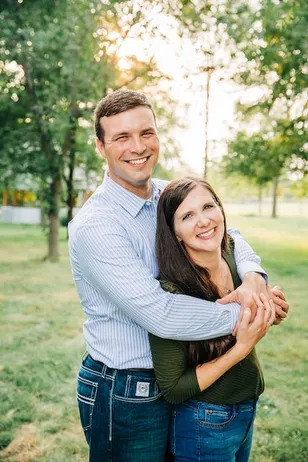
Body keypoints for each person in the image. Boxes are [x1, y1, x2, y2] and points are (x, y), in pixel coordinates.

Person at [68, 90, 288, 461]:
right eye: (121, 137)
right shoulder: (96, 225)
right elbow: (161, 313)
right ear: (100, 146)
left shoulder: (164, 193)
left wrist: (253, 278)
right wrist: (252, 314)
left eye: (146, 132)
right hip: (127, 389)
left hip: (186, 378)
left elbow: (229, 235)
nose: (137, 147)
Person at [149, 177, 277, 461]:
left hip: (246, 407)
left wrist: (268, 308)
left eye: (208, 206)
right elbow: (173, 389)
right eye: (188, 215)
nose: (204, 221)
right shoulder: (171, 291)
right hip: (203, 421)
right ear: (175, 232)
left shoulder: (233, 256)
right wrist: (240, 349)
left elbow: (248, 313)